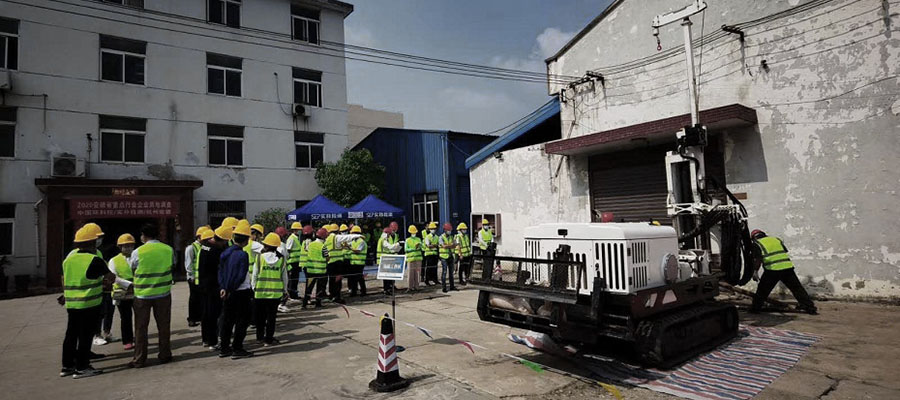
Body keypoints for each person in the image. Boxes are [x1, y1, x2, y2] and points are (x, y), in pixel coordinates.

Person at [60, 226, 107, 379]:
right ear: (93, 242)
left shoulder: (69, 259)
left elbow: (64, 277)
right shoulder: (94, 258)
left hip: (73, 304)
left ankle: (67, 365)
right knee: (86, 336)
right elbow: (110, 277)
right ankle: (82, 367)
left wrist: (65, 294)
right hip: (89, 303)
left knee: (71, 335)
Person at [127, 223, 175, 368]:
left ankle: (140, 359)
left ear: (143, 236)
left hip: (142, 295)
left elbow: (133, 268)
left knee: (141, 328)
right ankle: (165, 354)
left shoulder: (138, 252)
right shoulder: (168, 249)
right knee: (164, 326)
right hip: (163, 294)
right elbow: (172, 264)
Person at [750, 230, 818, 315]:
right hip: (787, 267)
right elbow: (784, 251)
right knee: (797, 288)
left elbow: (758, 259)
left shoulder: (756, 244)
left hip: (772, 270)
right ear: (764, 234)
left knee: (762, 290)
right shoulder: (776, 239)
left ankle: (755, 308)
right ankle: (809, 307)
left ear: (753, 238)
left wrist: (755, 271)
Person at [218, 220, 255, 359]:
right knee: (242, 320)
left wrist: (223, 287)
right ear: (246, 240)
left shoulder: (225, 252)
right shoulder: (242, 255)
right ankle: (237, 348)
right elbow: (239, 275)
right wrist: (229, 288)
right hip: (240, 292)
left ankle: (224, 348)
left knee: (227, 320)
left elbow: (220, 272)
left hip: (227, 292)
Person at [199, 226, 231, 350]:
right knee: (213, 314)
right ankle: (212, 341)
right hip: (213, 286)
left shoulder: (205, 246)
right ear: (221, 240)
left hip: (203, 284)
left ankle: (205, 339)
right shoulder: (216, 251)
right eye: (225, 242)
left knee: (206, 313)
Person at [252, 233, 287, 346]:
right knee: (271, 318)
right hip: (275, 294)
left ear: (265, 245)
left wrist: (253, 288)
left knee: (260, 317)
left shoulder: (259, 258)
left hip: (260, 293)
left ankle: (259, 337)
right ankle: (269, 339)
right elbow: (284, 277)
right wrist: (285, 290)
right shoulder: (281, 260)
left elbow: (254, 275)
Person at [108, 234, 137, 351]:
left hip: (137, 291)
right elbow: (112, 277)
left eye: (130, 245)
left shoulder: (137, 258)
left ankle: (139, 338)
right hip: (122, 293)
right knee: (125, 317)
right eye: (125, 246)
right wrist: (128, 284)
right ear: (120, 247)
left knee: (140, 317)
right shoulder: (113, 261)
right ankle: (127, 340)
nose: (128, 248)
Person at [185, 226, 210, 328]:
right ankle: (192, 318)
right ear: (199, 236)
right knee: (194, 298)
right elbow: (188, 264)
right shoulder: (191, 248)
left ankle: (199, 316)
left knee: (202, 298)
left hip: (202, 277)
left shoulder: (204, 247)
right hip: (194, 278)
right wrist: (191, 276)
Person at [303, 228, 330, 308]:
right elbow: (327, 257)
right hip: (321, 271)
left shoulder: (310, 244)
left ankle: (304, 304)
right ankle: (318, 303)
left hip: (310, 270)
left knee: (308, 288)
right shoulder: (323, 246)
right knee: (319, 288)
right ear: (324, 237)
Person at [324, 224, 345, 304]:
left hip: (330, 262)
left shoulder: (327, 239)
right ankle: (337, 296)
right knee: (338, 280)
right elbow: (343, 246)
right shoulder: (338, 237)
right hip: (338, 262)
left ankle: (332, 295)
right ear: (338, 230)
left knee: (331, 279)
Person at [377, 226, 401, 295]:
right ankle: (386, 289)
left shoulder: (382, 239)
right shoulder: (383, 240)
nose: (389, 236)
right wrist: (398, 244)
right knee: (386, 276)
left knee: (387, 276)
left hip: (385, 259)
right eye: (388, 234)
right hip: (383, 259)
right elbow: (389, 247)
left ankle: (387, 289)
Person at [284, 222, 304, 300]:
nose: (301, 231)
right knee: (292, 280)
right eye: (299, 230)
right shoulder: (291, 239)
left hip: (296, 262)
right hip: (292, 262)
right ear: (295, 230)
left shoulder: (296, 238)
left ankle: (294, 294)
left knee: (296, 279)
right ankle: (292, 294)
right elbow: (288, 250)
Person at [347, 226, 368, 297]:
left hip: (359, 263)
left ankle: (363, 291)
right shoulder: (353, 241)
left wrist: (349, 248)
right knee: (353, 278)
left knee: (359, 278)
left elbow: (358, 251)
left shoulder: (361, 241)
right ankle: (354, 291)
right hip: (353, 263)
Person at [439, 223, 458, 293]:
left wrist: (450, 245)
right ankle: (444, 287)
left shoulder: (451, 237)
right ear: (445, 230)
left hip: (450, 256)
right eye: (448, 230)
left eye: (450, 230)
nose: (449, 231)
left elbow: (455, 245)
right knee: (444, 272)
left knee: (451, 272)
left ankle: (452, 286)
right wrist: (451, 245)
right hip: (443, 257)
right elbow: (444, 246)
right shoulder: (441, 237)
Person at [405, 225, 423, 292]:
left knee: (417, 273)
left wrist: (420, 246)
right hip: (410, 259)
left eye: (414, 232)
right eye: (413, 233)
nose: (414, 234)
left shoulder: (418, 239)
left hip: (418, 259)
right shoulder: (407, 240)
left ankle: (417, 287)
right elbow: (406, 249)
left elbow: (422, 247)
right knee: (410, 274)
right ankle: (410, 287)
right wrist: (413, 249)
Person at [422, 222, 439, 286]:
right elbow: (428, 245)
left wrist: (433, 245)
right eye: (432, 229)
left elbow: (438, 245)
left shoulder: (437, 237)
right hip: (429, 254)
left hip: (435, 254)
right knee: (429, 268)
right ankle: (427, 280)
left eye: (434, 228)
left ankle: (435, 279)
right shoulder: (427, 237)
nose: (433, 230)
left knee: (435, 267)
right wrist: (435, 245)